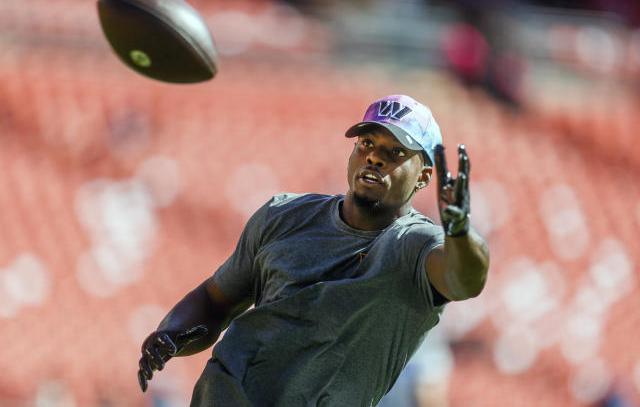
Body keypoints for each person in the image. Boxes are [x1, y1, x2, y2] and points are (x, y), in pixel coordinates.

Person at [137, 94, 490, 406]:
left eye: (396, 152)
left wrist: (460, 232)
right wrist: (171, 333)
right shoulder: (282, 214)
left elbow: (465, 281)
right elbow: (217, 299)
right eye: (367, 143)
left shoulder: (416, 245)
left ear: (424, 177)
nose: (375, 158)